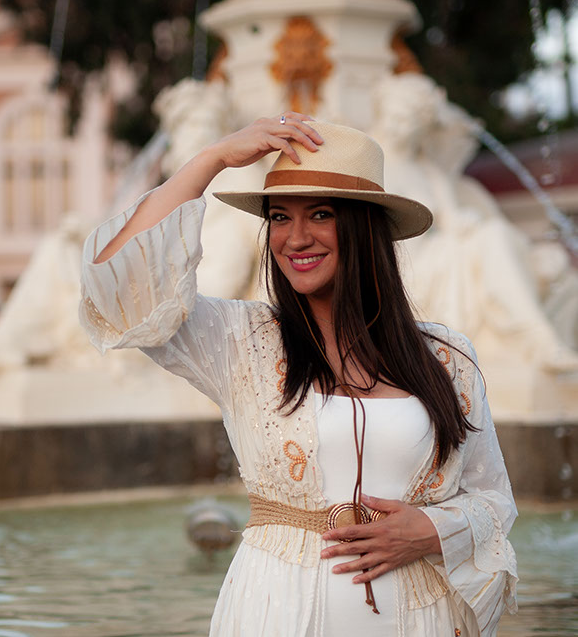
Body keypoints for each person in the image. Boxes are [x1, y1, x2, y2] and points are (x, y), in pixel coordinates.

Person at [79, 114, 518, 637]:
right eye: (280, 217)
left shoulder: (446, 357)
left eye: (321, 213)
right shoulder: (240, 340)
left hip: (419, 617)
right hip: (276, 610)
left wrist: (432, 530)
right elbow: (114, 282)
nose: (296, 237)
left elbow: (493, 499)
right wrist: (211, 160)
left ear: (362, 225)